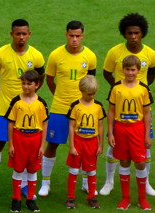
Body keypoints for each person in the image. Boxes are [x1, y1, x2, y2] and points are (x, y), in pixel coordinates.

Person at [0, 19, 45, 201]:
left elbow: (40, 78)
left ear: (29, 34)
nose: (21, 37)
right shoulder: (0, 54)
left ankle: (25, 186)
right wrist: (3, 96)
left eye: (24, 33)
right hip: (3, 109)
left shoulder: (36, 56)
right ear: (11, 34)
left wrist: (29, 99)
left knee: (27, 150)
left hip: (27, 112)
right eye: (17, 33)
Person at [100, 13, 155, 197]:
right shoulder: (114, 52)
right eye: (129, 33)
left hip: (142, 107)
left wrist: (138, 92)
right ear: (124, 34)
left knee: (144, 146)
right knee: (113, 144)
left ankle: (146, 181)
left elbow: (151, 76)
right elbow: (107, 73)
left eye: (137, 33)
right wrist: (120, 91)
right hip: (119, 109)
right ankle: (109, 181)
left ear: (142, 34)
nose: (133, 36)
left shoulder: (150, 54)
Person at [39, 20, 98, 197]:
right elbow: (49, 79)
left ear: (83, 36)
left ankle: (86, 183)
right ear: (66, 35)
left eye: (77, 36)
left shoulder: (90, 56)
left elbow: (90, 82)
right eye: (71, 35)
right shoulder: (56, 55)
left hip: (83, 109)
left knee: (86, 145)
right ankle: (45, 183)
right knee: (53, 144)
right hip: (60, 108)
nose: (74, 39)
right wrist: (59, 96)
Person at [107, 55, 153, 210]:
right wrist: (111, 133)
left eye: (133, 70)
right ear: (123, 70)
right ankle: (125, 198)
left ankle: (142, 199)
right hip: (120, 129)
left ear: (139, 71)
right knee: (124, 161)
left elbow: (147, 113)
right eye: (127, 69)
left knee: (140, 163)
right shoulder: (116, 88)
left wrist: (147, 134)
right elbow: (111, 111)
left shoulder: (143, 89)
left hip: (137, 129)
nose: (130, 73)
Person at [5, 70, 47, 212]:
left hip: (35, 139)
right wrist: (11, 144)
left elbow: (44, 124)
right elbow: (10, 123)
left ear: (37, 85)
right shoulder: (16, 101)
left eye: (29, 84)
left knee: (32, 169)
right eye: (23, 83)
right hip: (19, 138)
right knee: (18, 168)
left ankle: (30, 199)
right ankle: (16, 199)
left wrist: (42, 145)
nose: (25, 86)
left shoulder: (41, 103)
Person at [64, 75, 104, 209]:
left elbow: (100, 126)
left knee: (91, 171)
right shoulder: (75, 106)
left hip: (92, 143)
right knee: (74, 170)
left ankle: (92, 196)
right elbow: (71, 126)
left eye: (94, 94)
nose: (91, 96)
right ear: (81, 90)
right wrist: (72, 146)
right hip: (78, 142)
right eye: (89, 94)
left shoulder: (98, 106)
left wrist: (100, 144)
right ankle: (70, 197)